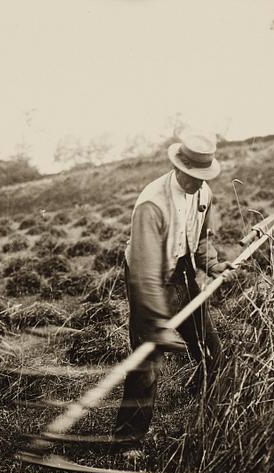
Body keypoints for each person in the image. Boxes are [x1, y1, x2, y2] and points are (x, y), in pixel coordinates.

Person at [114, 132, 234, 456]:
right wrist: (156, 323)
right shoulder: (152, 204)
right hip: (147, 278)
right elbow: (145, 274)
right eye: (193, 176)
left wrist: (213, 265)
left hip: (183, 270)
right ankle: (128, 441)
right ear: (179, 167)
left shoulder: (203, 193)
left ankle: (207, 409)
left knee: (211, 350)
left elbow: (203, 237)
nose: (198, 182)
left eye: (203, 177)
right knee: (148, 362)